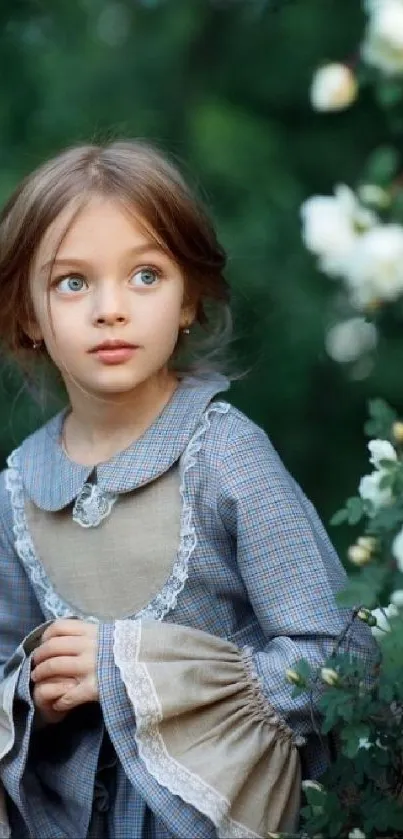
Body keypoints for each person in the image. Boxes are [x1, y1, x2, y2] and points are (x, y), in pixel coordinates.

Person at [0, 140, 373, 839]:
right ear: (26, 314)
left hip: (221, 816)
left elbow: (339, 662)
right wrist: (33, 699)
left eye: (145, 274)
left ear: (189, 300)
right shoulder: (18, 487)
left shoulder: (223, 454)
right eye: (71, 282)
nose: (110, 309)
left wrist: (127, 667)